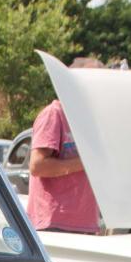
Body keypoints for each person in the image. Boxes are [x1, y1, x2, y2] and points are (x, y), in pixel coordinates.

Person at [26, 99, 100, 234]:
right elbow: (37, 166)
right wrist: (87, 162)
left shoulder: (90, 117)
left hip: (87, 223)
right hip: (54, 223)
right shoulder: (53, 114)